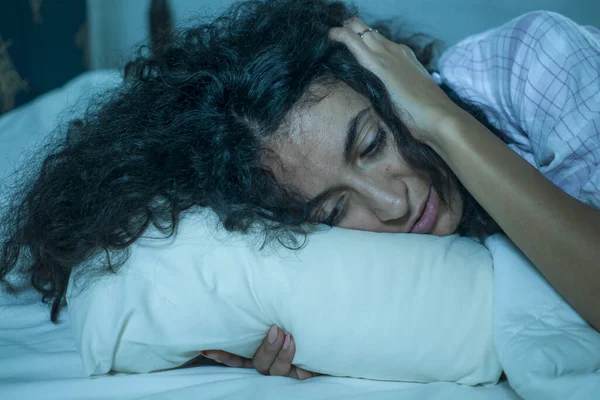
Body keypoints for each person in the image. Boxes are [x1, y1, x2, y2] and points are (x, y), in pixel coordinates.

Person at [1, 0, 598, 381]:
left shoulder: (536, 63)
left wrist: (442, 121)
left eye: (371, 144)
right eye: (336, 209)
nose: (393, 204)